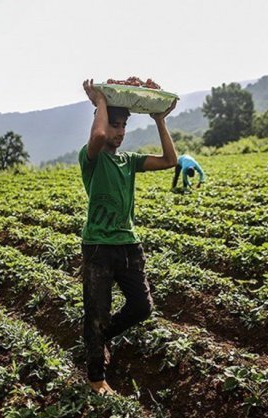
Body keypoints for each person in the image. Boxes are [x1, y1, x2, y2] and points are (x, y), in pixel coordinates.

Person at [79, 79, 178, 395]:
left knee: (142, 306)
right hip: (97, 246)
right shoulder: (92, 157)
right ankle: (96, 377)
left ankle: (102, 337)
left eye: (122, 126)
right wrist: (100, 101)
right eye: (114, 125)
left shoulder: (129, 160)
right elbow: (97, 135)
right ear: (102, 121)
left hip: (129, 245)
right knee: (96, 311)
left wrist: (159, 119)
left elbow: (169, 160)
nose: (119, 132)